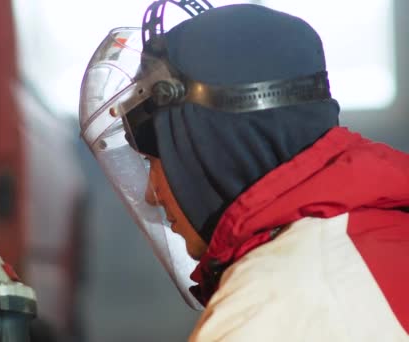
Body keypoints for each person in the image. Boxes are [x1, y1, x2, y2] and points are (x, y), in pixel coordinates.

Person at [79, 1, 409, 341]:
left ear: (211, 144)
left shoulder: (269, 306)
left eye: (156, 159)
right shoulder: (378, 236)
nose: (150, 192)